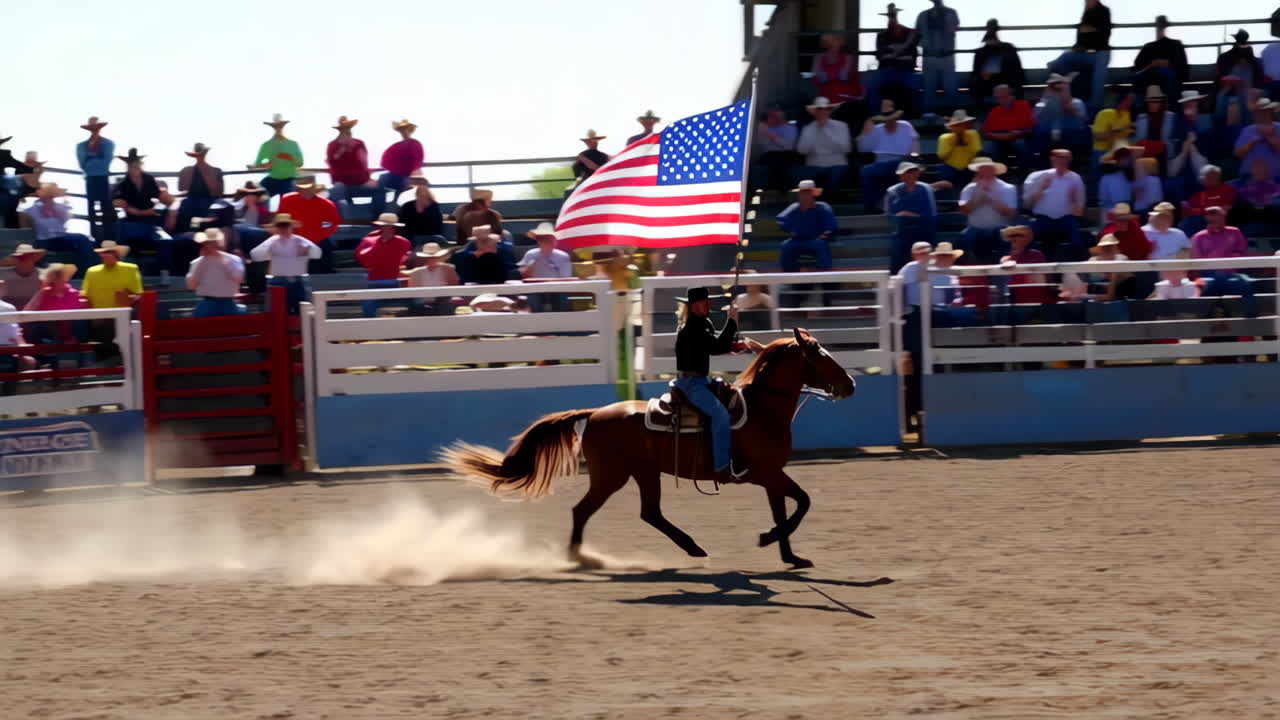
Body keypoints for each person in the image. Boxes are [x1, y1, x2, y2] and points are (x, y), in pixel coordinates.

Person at [674, 286, 748, 480]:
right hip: (691, 384)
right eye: (703, 302)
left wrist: (733, 345)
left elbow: (716, 344)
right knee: (721, 415)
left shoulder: (703, 323)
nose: (708, 304)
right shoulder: (691, 327)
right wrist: (731, 322)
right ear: (693, 306)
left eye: (708, 301)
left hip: (702, 380)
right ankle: (721, 467)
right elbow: (715, 347)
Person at [111, 148, 175, 284]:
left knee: (166, 241)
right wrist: (142, 212)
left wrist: (168, 202)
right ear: (127, 166)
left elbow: (160, 197)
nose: (134, 165)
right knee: (124, 239)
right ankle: (126, 276)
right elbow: (119, 203)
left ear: (140, 164)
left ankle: (164, 274)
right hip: (131, 222)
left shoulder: (149, 180)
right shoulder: (122, 184)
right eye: (131, 163)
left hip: (150, 223)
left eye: (136, 163)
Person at [249, 214, 322, 314]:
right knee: (278, 313)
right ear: (277, 228)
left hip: (299, 281)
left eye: (286, 225)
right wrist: (268, 251)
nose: (283, 229)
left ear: (291, 226)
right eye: (280, 226)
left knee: (302, 313)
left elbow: (318, 254)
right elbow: (255, 255)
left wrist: (307, 251)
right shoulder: (272, 241)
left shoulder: (300, 241)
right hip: (278, 281)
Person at [81, 240, 141, 360]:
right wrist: (91, 313)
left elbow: (138, 293)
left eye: (109, 252)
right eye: (103, 252)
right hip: (98, 317)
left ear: (116, 254)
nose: (105, 255)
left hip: (122, 316)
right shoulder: (92, 271)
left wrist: (128, 299)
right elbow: (85, 296)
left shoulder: (130, 269)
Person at [1048, 0, 1112, 110]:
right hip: (1083, 53)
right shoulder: (1086, 13)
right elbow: (1081, 37)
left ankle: (1095, 107)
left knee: (1099, 75)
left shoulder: (1104, 11)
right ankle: (1066, 97)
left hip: (1100, 53)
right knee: (1061, 61)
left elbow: (1104, 35)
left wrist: (1089, 31)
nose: (1087, 2)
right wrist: (1089, 32)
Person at [1191, 206, 1255, 315]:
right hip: (1209, 276)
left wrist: (1232, 258)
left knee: (1247, 285)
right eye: (1213, 217)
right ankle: (1202, 322)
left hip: (1231, 275)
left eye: (1220, 217)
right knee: (1207, 286)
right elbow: (1198, 261)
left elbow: (1242, 253)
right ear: (1207, 218)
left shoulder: (1234, 232)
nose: (1217, 220)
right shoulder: (1199, 237)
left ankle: (1251, 321)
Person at [1024, 149, 1086, 261]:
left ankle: (1080, 270)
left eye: (1066, 157)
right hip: (1042, 219)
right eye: (1060, 157)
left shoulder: (1075, 179)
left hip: (1066, 219)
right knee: (1026, 240)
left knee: (1078, 241)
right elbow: (1027, 204)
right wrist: (1041, 188)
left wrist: (1072, 201)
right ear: (1052, 158)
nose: (1063, 160)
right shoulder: (1037, 176)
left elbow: (1079, 211)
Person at [857, 100, 919, 212]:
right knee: (866, 171)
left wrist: (914, 158)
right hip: (881, 163)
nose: (889, 119)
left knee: (900, 167)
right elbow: (863, 148)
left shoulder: (906, 126)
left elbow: (915, 145)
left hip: (902, 162)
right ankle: (871, 206)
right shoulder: (876, 129)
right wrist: (866, 130)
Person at [24, 183, 96, 272]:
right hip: (43, 239)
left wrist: (64, 199)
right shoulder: (31, 210)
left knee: (85, 240)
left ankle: (87, 270)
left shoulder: (58, 207)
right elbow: (38, 226)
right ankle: (85, 270)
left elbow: (65, 217)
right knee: (81, 239)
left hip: (59, 237)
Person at [958, 158, 1017, 263]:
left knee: (1004, 239)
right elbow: (963, 210)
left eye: (988, 168)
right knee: (963, 240)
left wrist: (991, 199)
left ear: (994, 170)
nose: (984, 171)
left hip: (999, 229)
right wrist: (979, 200)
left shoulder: (1007, 188)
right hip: (975, 229)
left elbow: (1011, 213)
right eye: (981, 169)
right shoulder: (969, 188)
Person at [277, 177, 341, 273]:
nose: (305, 191)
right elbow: (280, 220)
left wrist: (319, 235)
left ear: (314, 188)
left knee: (325, 249)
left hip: (318, 241)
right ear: (298, 189)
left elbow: (334, 224)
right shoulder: (287, 200)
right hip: (293, 240)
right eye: (302, 188)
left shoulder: (326, 204)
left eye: (308, 188)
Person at [355, 213, 412, 318]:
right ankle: (371, 330)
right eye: (384, 225)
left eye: (390, 226)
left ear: (394, 227)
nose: (387, 228)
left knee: (416, 301)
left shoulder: (404, 243)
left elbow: (403, 262)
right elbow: (364, 261)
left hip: (396, 284)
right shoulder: (368, 241)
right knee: (368, 305)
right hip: (375, 283)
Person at [885, 162, 938, 273]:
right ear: (901, 176)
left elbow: (930, 215)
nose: (910, 175)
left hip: (923, 230)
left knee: (925, 248)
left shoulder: (925, 189)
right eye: (907, 173)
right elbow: (890, 215)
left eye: (913, 172)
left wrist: (909, 214)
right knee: (898, 251)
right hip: (902, 231)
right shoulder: (892, 191)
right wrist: (902, 216)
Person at [777, 179, 838, 272]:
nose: (805, 195)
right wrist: (790, 230)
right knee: (786, 246)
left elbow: (832, 225)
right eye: (803, 192)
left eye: (807, 192)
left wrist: (826, 234)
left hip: (817, 239)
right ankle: (790, 274)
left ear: (813, 194)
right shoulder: (793, 207)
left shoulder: (823, 207)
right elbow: (781, 220)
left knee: (820, 245)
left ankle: (825, 276)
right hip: (797, 239)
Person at [796, 97, 852, 195]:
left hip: (836, 164)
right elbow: (802, 151)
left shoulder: (841, 126)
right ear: (814, 112)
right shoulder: (808, 128)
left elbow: (846, 148)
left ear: (830, 111)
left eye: (826, 109)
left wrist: (826, 129)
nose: (823, 112)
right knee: (806, 174)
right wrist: (816, 129)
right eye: (819, 109)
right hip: (815, 165)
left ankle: (830, 201)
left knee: (835, 174)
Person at [871, 3, 919, 117]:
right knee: (879, 87)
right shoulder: (881, 35)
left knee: (907, 88)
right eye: (890, 16)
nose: (891, 18)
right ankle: (883, 114)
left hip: (904, 69)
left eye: (893, 15)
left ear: (897, 15)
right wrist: (898, 52)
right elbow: (880, 54)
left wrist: (892, 52)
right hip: (888, 69)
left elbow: (912, 52)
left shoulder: (909, 32)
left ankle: (908, 115)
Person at [326, 116, 378, 219]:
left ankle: (375, 218)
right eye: (344, 129)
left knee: (380, 190)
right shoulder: (333, 145)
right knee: (334, 193)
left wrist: (368, 178)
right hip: (342, 183)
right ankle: (339, 222)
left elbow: (364, 162)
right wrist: (342, 148)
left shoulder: (359, 143)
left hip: (360, 182)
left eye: (348, 128)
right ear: (340, 130)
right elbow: (332, 161)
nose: (347, 131)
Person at [186, 230, 245, 318]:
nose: (210, 245)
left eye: (213, 243)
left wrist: (223, 261)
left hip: (228, 304)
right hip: (207, 305)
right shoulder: (197, 262)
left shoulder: (233, 260)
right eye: (207, 243)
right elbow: (191, 286)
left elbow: (239, 278)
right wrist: (202, 263)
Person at [170, 142, 224, 238]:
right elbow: (181, 188)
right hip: (191, 201)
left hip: (209, 201)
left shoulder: (215, 170)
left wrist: (201, 163)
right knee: (186, 209)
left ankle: (196, 234)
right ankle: (188, 235)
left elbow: (218, 191)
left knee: (206, 211)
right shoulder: (187, 170)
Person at [915, 0, 959, 116]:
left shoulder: (923, 15)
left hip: (940, 56)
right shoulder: (951, 13)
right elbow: (953, 29)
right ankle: (933, 115)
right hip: (937, 57)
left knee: (948, 88)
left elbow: (918, 34)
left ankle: (950, 114)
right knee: (931, 88)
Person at [22, 263, 84, 345]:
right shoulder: (44, 293)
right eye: (55, 277)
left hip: (71, 336)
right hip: (48, 336)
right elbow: (26, 312)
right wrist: (41, 292)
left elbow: (79, 317)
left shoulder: (73, 293)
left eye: (60, 277)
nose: (59, 280)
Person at [1034, 74, 1092, 160]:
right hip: (1048, 136)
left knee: (1077, 137)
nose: (1057, 88)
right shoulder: (1043, 103)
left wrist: (1065, 92)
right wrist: (1048, 95)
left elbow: (1081, 118)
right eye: (1054, 86)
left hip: (1071, 134)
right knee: (1041, 137)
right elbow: (1038, 118)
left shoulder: (1077, 102)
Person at [518, 222, 574, 312]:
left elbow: (566, 278)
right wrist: (535, 262)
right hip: (535, 288)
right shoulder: (531, 254)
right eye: (542, 239)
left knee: (561, 297)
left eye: (548, 239)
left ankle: (563, 322)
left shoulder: (563, 256)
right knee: (532, 297)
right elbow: (524, 276)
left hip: (557, 288)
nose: (546, 242)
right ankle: (535, 322)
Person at [75, 116, 115, 240]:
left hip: (102, 177)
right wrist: (94, 162)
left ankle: (109, 236)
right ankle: (95, 236)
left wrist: (91, 161)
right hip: (91, 178)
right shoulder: (81, 146)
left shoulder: (108, 143)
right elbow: (83, 164)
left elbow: (106, 161)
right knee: (91, 207)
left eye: (96, 128)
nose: (95, 131)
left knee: (106, 207)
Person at [970, 20, 1026, 108]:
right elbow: (1017, 70)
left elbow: (1017, 70)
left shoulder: (982, 52)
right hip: (999, 82)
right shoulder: (1008, 48)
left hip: (1000, 81)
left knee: (982, 85)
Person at [1132, 15, 1188, 101]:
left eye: (1161, 24)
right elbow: (1137, 68)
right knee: (1141, 79)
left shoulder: (1176, 45)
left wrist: (1167, 63)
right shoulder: (1148, 47)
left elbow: (1184, 70)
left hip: (1167, 83)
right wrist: (1152, 65)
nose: (1160, 27)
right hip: (1151, 82)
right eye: (1159, 24)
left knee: (1166, 74)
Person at [376, 119, 425, 217]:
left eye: (405, 129)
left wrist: (412, 173)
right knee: (382, 179)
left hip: (409, 175)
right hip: (396, 175)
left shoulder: (415, 144)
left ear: (409, 130)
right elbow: (385, 161)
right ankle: (379, 209)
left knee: (401, 183)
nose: (404, 132)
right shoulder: (396, 146)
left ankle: (393, 209)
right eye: (402, 130)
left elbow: (418, 161)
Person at [1216, 30, 1264, 126]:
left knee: (1233, 102)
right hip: (1246, 95)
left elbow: (1220, 78)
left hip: (1231, 94)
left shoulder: (1224, 57)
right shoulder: (1253, 59)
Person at [251, 114, 303, 197]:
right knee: (255, 191)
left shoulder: (293, 144)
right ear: (272, 128)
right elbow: (257, 164)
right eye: (275, 127)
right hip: (272, 180)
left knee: (287, 197)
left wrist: (289, 157)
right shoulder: (266, 145)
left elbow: (300, 163)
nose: (278, 129)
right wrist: (266, 165)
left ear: (283, 127)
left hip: (289, 180)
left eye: (280, 126)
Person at [982, 84, 1035, 167]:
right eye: (998, 97)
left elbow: (1030, 128)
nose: (1001, 99)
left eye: (1003, 96)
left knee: (1020, 144)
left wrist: (1015, 134)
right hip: (999, 138)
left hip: (1019, 137)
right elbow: (987, 133)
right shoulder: (994, 111)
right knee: (988, 147)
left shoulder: (1024, 105)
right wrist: (1006, 136)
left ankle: (1024, 170)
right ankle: (999, 171)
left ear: (1012, 96)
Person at [402, 242, 459, 315]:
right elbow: (412, 292)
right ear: (425, 258)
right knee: (417, 306)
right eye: (429, 257)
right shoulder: (417, 272)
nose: (431, 259)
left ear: (439, 257)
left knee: (446, 306)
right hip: (422, 303)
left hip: (443, 302)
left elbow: (454, 287)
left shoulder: (449, 269)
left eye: (434, 257)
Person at [452, 226, 518, 285]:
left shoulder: (504, 254)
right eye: (482, 242)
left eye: (490, 241)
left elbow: (508, 276)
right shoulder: (462, 257)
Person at [1233, 98, 1280, 181]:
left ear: (1271, 113)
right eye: (1259, 113)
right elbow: (1238, 153)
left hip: (1276, 178)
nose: (1262, 115)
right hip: (1250, 177)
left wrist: (1269, 137)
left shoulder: (1279, 127)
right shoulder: (1248, 130)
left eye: (1265, 112)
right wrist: (1252, 142)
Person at [756, 105, 800, 190]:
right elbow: (763, 147)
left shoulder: (790, 128)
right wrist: (763, 130)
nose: (774, 115)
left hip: (787, 155)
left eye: (776, 111)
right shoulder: (763, 128)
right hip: (769, 156)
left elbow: (789, 146)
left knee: (781, 161)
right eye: (771, 113)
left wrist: (770, 134)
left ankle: (782, 189)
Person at [937, 110, 980, 188]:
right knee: (945, 168)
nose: (960, 127)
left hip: (969, 168)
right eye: (957, 125)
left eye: (963, 124)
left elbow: (975, 151)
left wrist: (963, 139)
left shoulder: (973, 134)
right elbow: (942, 156)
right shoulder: (944, 138)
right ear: (952, 127)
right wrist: (954, 141)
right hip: (950, 168)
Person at [0, 279, 36, 373]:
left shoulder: (9, 308)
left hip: (10, 350)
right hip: (7, 349)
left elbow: (15, 331)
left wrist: (22, 346)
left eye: (1, 287)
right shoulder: (9, 308)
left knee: (30, 362)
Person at [1233, 158, 1280, 230]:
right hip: (1248, 211)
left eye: (1262, 168)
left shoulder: (1275, 184)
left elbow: (1275, 196)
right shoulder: (1241, 184)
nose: (1259, 170)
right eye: (1256, 168)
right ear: (1251, 169)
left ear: (1267, 170)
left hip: (1271, 211)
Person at [399, 174, 445, 244]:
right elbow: (402, 224)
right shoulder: (407, 206)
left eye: (424, 191)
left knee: (440, 239)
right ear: (416, 194)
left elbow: (437, 226)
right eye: (420, 192)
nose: (422, 195)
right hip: (411, 237)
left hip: (431, 237)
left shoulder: (434, 206)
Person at [1134, 86, 1175, 165]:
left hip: (1165, 157)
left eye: (1155, 102)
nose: (1152, 105)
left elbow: (1172, 141)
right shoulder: (1141, 118)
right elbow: (1138, 141)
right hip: (1146, 156)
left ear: (1161, 103)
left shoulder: (1170, 117)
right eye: (1150, 102)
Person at [231, 181, 273, 253]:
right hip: (240, 240)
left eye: (255, 194)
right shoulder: (235, 207)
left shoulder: (263, 210)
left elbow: (255, 226)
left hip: (255, 239)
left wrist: (251, 205)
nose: (251, 196)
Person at [0, 244, 45, 309]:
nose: (22, 260)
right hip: (8, 314)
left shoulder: (44, 276)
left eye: (26, 257)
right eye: (20, 257)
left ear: (34, 258)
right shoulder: (2, 275)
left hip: (37, 315)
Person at [1098, 145, 1135, 212]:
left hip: (1128, 212)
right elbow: (1103, 200)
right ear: (1118, 159)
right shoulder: (1106, 178)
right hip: (1111, 213)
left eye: (1128, 158)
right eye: (1124, 158)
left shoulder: (1132, 176)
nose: (1127, 161)